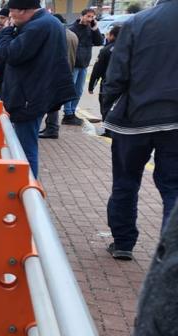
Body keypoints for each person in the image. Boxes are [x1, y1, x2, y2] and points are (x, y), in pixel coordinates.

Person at [102, 0, 178, 260]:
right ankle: (169, 252)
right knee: (173, 187)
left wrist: (106, 110)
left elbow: (117, 74)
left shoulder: (137, 22)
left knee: (126, 180)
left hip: (135, 118)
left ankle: (123, 242)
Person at [0, 0, 75, 177]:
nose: (10, 17)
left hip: (28, 96)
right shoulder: (50, 22)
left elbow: (10, 53)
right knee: (26, 145)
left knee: (25, 148)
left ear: (23, 11)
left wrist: (7, 31)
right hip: (36, 91)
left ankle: (27, 190)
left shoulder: (37, 27)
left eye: (12, 12)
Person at [39, 14, 78, 140]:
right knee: (55, 102)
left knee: (52, 103)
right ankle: (51, 127)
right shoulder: (72, 35)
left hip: (55, 71)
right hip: (67, 70)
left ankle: (52, 128)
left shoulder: (58, 35)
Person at [62, 8, 103, 125]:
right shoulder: (72, 29)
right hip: (73, 64)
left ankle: (73, 112)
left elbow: (99, 42)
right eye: (88, 16)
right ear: (82, 16)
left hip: (84, 65)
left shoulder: (91, 29)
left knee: (78, 90)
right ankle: (68, 113)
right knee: (70, 90)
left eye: (92, 17)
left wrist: (95, 29)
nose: (90, 19)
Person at [87, 24, 122, 133]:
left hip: (108, 84)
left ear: (112, 35)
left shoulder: (106, 50)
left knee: (106, 106)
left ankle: (108, 131)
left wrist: (91, 85)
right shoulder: (129, 48)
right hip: (125, 84)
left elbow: (97, 69)